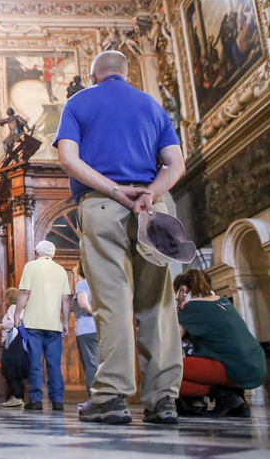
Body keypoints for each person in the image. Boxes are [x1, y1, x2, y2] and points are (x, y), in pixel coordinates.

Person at [55, 50, 186, 425]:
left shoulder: (79, 102)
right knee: (157, 303)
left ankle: (111, 397)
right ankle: (163, 400)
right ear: (126, 74)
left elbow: (68, 159)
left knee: (112, 302)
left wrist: (114, 192)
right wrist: (149, 194)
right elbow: (176, 164)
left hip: (103, 207)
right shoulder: (151, 105)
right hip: (153, 209)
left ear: (94, 75)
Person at [174, 270, 266, 417]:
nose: (177, 298)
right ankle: (236, 398)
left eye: (177, 293)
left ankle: (224, 396)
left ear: (183, 289)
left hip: (233, 368)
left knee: (167, 370)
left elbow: (172, 339)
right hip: (257, 366)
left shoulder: (190, 306)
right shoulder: (223, 301)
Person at [13, 240, 71, 412]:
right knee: (54, 364)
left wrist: (17, 313)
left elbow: (25, 292)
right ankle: (57, 400)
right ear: (53, 254)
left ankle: (36, 400)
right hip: (54, 325)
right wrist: (66, 321)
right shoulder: (61, 270)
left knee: (35, 363)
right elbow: (66, 298)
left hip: (33, 323)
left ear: (37, 252)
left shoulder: (30, 266)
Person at [73, 260, 98, 410]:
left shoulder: (83, 284)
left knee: (91, 365)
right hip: (104, 328)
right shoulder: (105, 283)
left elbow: (83, 304)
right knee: (103, 363)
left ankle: (94, 399)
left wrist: (96, 314)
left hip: (87, 328)